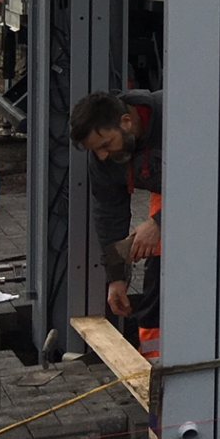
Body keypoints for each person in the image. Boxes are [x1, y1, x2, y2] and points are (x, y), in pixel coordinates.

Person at [70, 89, 165, 361]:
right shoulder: (105, 157)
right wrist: (116, 278)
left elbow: (212, 178)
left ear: (126, 122)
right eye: (94, 150)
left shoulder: (177, 118)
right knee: (159, 280)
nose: (102, 156)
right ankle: (156, 364)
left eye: (106, 144)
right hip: (172, 194)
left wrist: (160, 223)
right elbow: (109, 215)